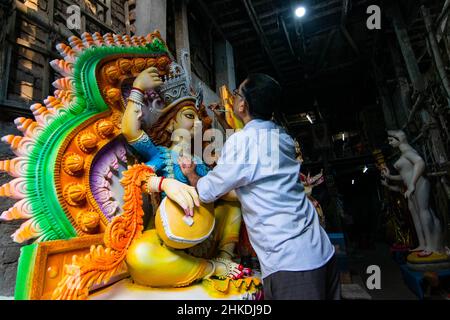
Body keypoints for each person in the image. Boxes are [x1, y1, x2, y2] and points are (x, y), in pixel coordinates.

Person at [178, 73, 340, 300]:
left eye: (236, 95)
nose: (233, 99)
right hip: (321, 251)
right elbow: (255, 186)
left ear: (242, 104)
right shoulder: (281, 136)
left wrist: (192, 174)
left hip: (292, 265)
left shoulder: (243, 141)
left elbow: (207, 191)